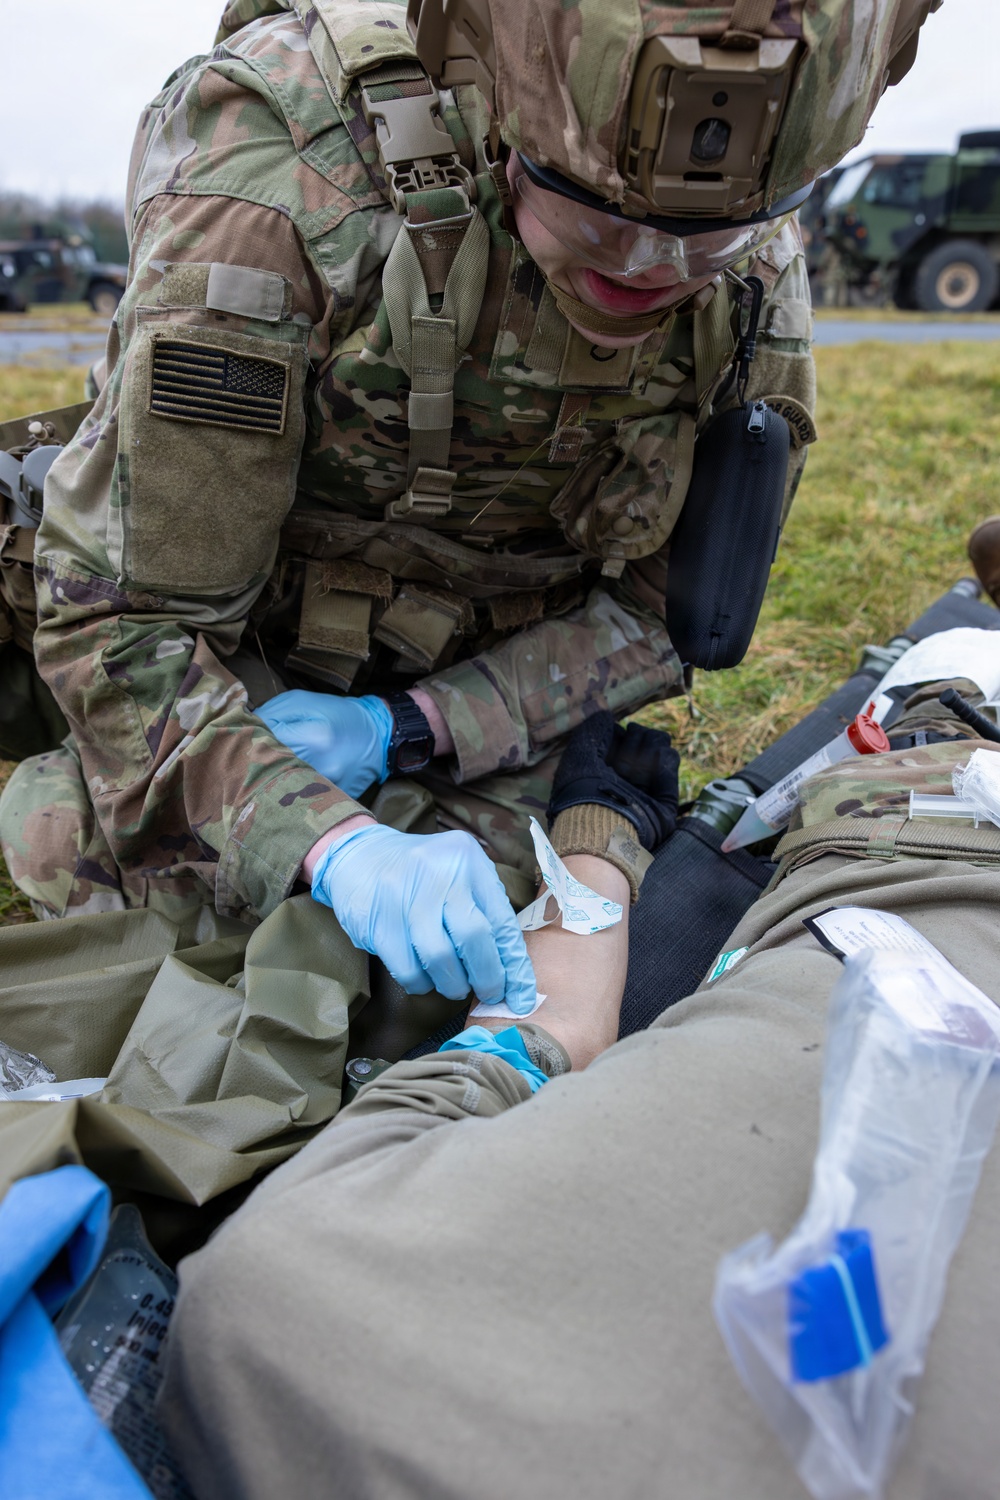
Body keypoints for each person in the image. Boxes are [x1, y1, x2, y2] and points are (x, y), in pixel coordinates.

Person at [0, 0, 939, 1022]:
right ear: (500, 138)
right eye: (594, 217)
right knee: (78, 848)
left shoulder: (753, 272)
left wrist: (404, 725)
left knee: (460, 966)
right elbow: (123, 620)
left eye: (699, 244)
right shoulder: (290, 178)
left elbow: (664, 619)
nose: (642, 268)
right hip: (228, 653)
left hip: (481, 695)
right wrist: (326, 839)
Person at [158, 661, 1000, 1500]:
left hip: (923, 915)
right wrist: (597, 838)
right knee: (958, 683)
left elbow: (545, 1034)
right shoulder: (266, 1319)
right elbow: (545, 1032)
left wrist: (585, 836)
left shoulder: (270, 1321)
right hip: (937, 869)